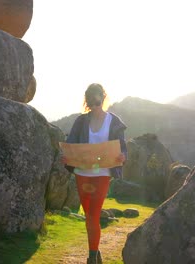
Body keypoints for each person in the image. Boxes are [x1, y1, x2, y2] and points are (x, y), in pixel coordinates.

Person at [61, 83, 127, 264]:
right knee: (89, 215)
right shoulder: (81, 121)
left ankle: (91, 258)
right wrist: (67, 157)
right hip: (82, 174)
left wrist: (123, 156)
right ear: (87, 102)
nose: (94, 104)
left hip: (103, 174)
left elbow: (122, 148)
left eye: (97, 100)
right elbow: (71, 144)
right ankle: (95, 252)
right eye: (91, 101)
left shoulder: (114, 122)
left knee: (93, 214)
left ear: (103, 98)